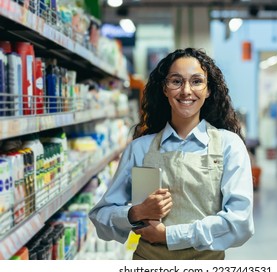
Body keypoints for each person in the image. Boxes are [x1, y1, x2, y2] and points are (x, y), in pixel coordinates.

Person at [89, 48, 254, 260]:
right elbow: (101, 216)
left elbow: (240, 222)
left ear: (209, 90)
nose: (186, 90)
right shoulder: (140, 148)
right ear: (164, 89)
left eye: (196, 81)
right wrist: (136, 213)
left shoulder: (228, 145)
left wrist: (169, 236)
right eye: (176, 81)